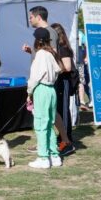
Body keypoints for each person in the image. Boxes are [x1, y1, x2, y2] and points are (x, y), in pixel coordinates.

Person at [27, 27, 63, 169]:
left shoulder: (40, 54)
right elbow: (58, 70)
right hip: (51, 90)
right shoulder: (50, 54)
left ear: (38, 41)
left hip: (41, 89)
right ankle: (54, 156)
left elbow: (34, 77)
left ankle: (43, 158)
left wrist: (29, 93)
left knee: (41, 125)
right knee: (49, 124)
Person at [51, 22, 77, 156]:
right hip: (59, 81)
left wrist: (55, 68)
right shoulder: (56, 47)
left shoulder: (63, 48)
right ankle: (62, 137)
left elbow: (67, 67)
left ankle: (67, 140)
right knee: (59, 109)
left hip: (65, 81)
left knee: (63, 110)